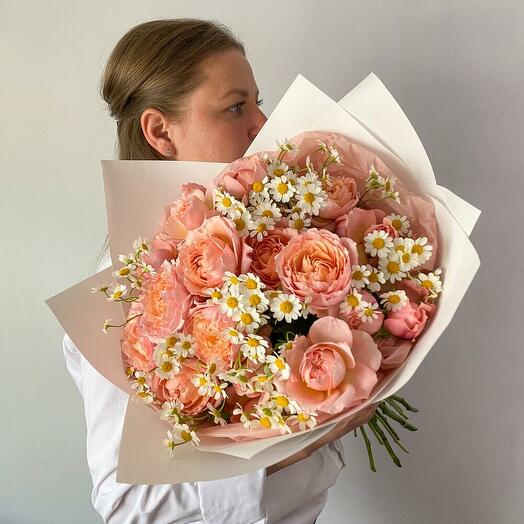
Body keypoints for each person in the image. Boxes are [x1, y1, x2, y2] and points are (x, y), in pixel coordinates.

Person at [63, 18, 376, 524]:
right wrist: (292, 449)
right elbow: (128, 509)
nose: (262, 123)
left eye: (257, 101)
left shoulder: (270, 243)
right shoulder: (123, 295)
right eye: (236, 107)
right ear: (161, 132)